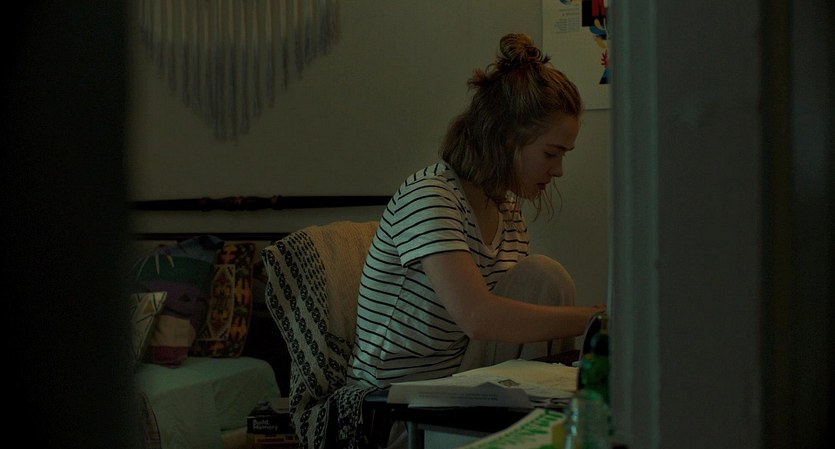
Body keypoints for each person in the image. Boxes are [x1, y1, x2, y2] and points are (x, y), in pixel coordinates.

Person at [342, 32, 605, 448]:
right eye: (551, 153)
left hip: (459, 386)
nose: (558, 171)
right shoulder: (430, 196)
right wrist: (598, 319)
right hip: (394, 407)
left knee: (544, 277)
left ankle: (541, 420)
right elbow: (477, 316)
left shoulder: (507, 210)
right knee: (546, 277)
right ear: (507, 140)